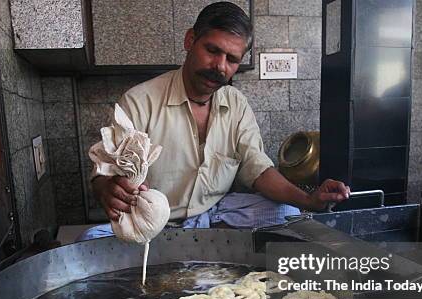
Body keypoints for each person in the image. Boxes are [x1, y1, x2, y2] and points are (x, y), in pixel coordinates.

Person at [80, 2, 349, 240]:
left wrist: (309, 199)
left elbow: (257, 169)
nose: (220, 66)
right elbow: (103, 175)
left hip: (218, 214)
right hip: (154, 224)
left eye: (232, 59)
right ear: (190, 41)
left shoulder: (236, 104)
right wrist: (107, 189)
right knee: (89, 240)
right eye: (212, 50)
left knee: (289, 214)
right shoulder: (140, 102)